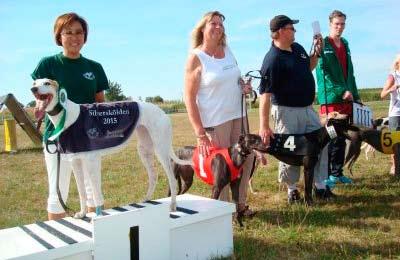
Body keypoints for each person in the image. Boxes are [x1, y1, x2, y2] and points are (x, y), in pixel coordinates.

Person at [31, 12, 109, 220]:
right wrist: (39, 107)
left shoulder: (94, 68)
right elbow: (40, 94)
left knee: (93, 190)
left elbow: (100, 103)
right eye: (68, 32)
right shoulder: (48, 64)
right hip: (57, 137)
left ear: (85, 36)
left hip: (88, 138)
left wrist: (104, 130)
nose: (75, 37)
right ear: (59, 36)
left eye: (79, 32)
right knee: (58, 193)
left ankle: (96, 243)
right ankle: (60, 249)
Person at [184, 11, 255, 216]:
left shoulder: (227, 49)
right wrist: (199, 133)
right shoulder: (196, 58)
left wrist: (244, 86)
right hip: (215, 121)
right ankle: (224, 212)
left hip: (238, 115)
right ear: (203, 29)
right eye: (213, 23)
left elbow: (236, 78)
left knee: (246, 158)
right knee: (222, 167)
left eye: (221, 24)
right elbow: (189, 98)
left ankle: (240, 205)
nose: (218, 27)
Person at [258, 15, 333, 203]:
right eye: (292, 28)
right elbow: (265, 95)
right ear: (281, 31)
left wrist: (316, 52)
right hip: (286, 112)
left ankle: (320, 186)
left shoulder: (298, 48)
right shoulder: (272, 59)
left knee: (323, 142)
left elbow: (309, 66)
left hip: (308, 109)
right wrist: (264, 125)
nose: (295, 31)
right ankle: (292, 190)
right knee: (291, 150)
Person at [316, 10, 360, 189]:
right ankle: (326, 175)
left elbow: (350, 72)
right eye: (337, 24)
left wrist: (355, 95)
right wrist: (341, 91)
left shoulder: (345, 44)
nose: (340, 27)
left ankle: (337, 172)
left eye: (342, 24)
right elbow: (323, 73)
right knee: (330, 137)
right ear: (330, 25)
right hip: (331, 99)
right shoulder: (323, 44)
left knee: (342, 137)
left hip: (347, 99)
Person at [380, 54, 400, 175]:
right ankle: (395, 167)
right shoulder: (393, 76)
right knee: (396, 144)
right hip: (396, 115)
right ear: (398, 63)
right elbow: (382, 94)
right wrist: (392, 88)